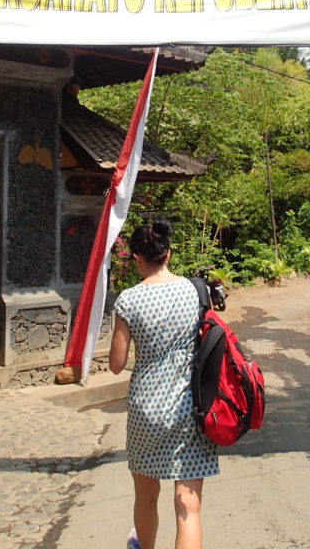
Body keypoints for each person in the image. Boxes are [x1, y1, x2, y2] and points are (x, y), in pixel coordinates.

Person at [109, 221, 218, 549]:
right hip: (189, 406)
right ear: (168, 254)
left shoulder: (128, 300)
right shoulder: (195, 290)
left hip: (145, 409)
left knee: (145, 498)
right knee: (188, 505)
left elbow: (116, 365)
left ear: (138, 258)